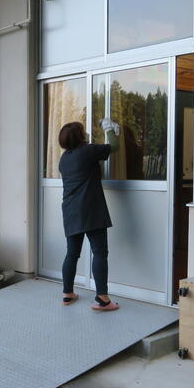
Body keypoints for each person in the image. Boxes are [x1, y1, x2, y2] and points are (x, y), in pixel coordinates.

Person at [58, 118, 120, 311]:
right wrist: (109, 129)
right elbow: (114, 147)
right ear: (79, 136)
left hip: (70, 210)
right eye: (83, 130)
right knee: (99, 252)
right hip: (91, 210)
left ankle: (68, 294)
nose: (86, 132)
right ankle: (103, 299)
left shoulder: (64, 159)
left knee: (72, 253)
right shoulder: (87, 151)